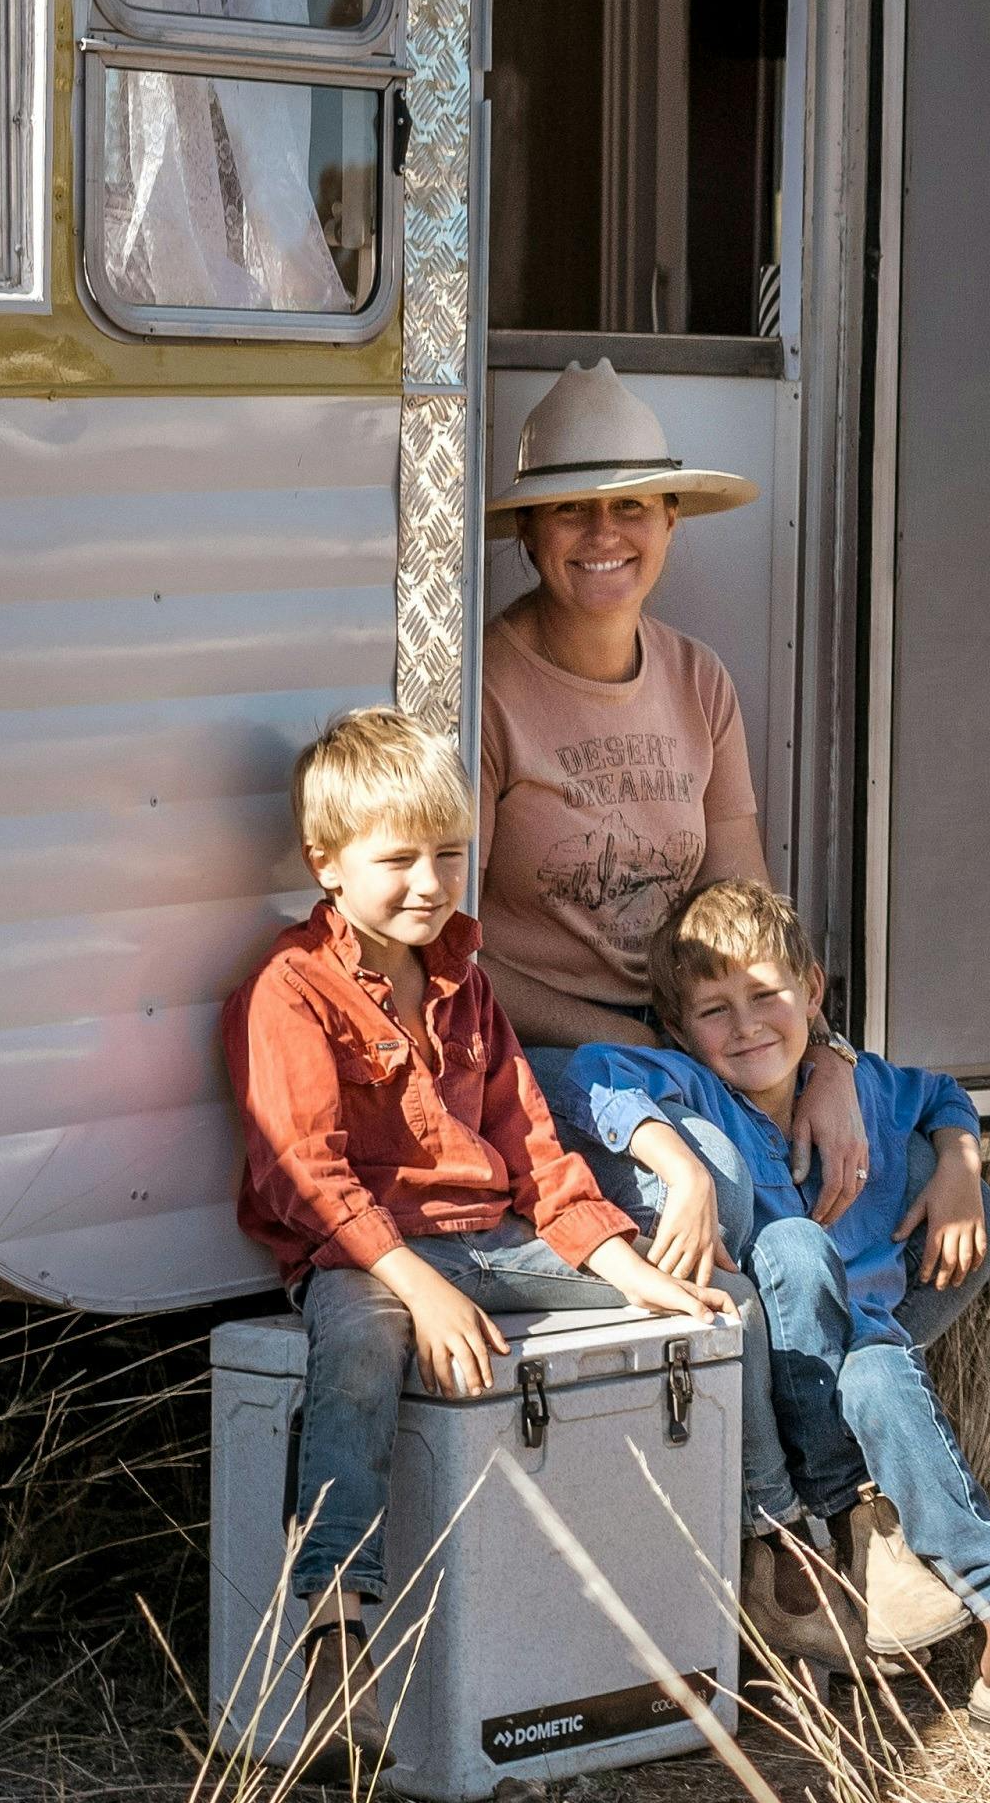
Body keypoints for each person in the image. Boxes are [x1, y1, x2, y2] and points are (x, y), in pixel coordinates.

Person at [220, 709, 859, 1730]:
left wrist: (625, 1265)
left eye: (449, 854)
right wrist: (419, 1287)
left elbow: (531, 1151)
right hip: (372, 1257)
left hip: (493, 1243)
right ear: (325, 862)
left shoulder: (466, 985)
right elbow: (308, 1175)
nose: (430, 884)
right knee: (356, 1345)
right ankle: (339, 1618)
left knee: (722, 1302)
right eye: (399, 860)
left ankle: (762, 1555)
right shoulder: (289, 989)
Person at [557, 879, 990, 1747]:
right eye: (714, 1010)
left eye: (767, 995)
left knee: (882, 1371)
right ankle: (850, 1517)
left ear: (813, 990)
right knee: (790, 1250)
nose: (745, 1027)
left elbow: (943, 1099)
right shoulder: (696, 1092)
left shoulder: (866, 1090)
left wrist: (960, 1173)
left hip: (856, 1354)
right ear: (675, 1029)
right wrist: (685, 1169)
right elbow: (587, 1074)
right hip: (757, 1362)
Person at [477, 359, 872, 1233]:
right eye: (572, 508)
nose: (602, 532)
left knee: (897, 1174)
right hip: (547, 1044)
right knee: (726, 1186)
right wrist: (641, 1042)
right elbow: (452, 950)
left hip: (696, 1029)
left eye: (630, 506)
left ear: (669, 522)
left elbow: (743, 910)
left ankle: (848, 1358)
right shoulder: (486, 691)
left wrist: (828, 1059)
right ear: (530, 532)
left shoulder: (698, 678)